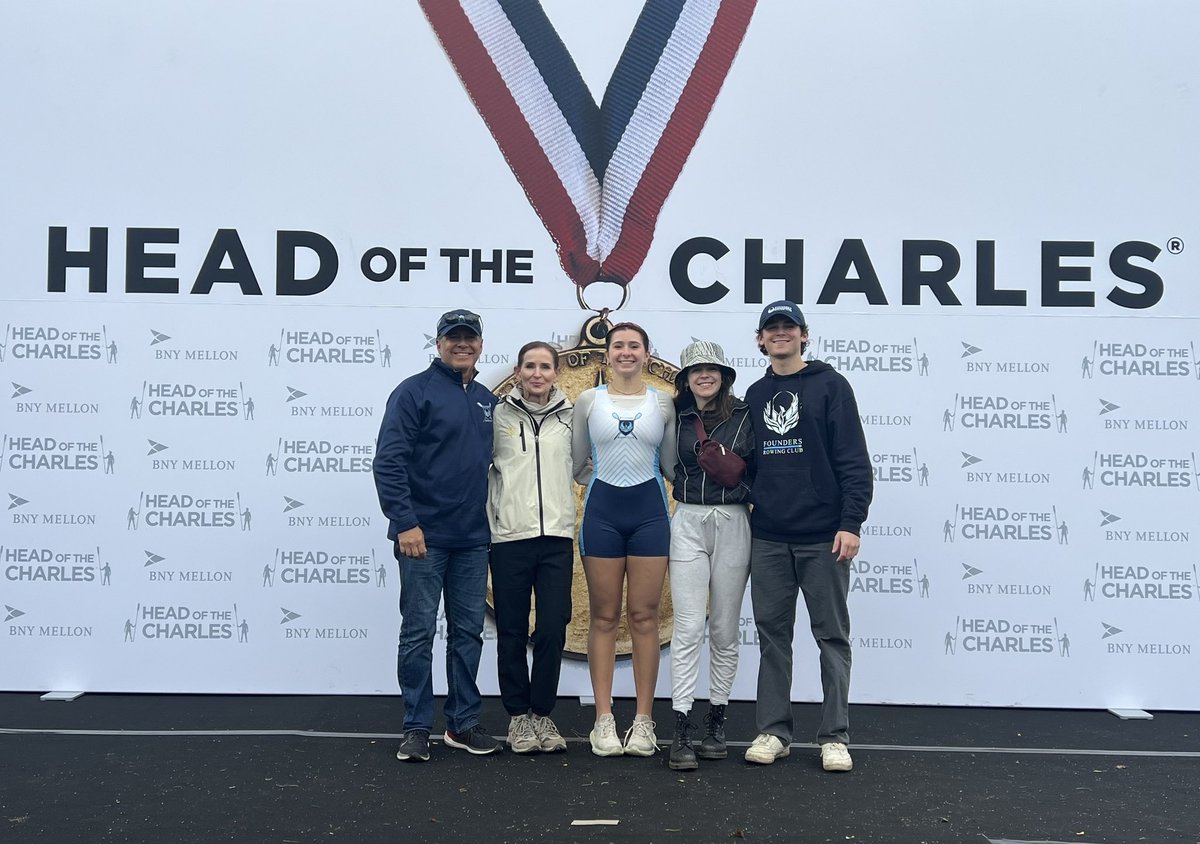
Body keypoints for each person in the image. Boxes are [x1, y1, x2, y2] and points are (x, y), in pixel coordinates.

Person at [742, 300, 872, 772]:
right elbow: (749, 466)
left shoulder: (832, 387)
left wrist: (850, 523)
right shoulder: (753, 395)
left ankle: (834, 736)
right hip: (770, 535)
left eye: (788, 327)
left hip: (824, 536)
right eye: (771, 328)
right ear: (760, 339)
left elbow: (854, 462)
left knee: (831, 636)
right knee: (772, 636)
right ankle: (773, 731)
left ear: (804, 335)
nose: (780, 334)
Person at [373, 308, 499, 763]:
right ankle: (416, 726)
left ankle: (462, 724)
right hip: (422, 538)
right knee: (418, 633)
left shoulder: (487, 398)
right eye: (453, 337)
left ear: (481, 344)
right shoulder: (413, 392)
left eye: (470, 337)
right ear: (439, 342)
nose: (461, 344)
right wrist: (405, 523)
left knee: (468, 633)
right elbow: (388, 462)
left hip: (472, 538)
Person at [571, 322, 676, 757]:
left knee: (645, 616)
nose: (626, 352)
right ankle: (603, 720)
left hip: (650, 515)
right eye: (619, 346)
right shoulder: (587, 401)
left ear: (647, 354)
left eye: (634, 346)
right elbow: (579, 464)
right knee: (604, 617)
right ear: (607, 354)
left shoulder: (664, 403)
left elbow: (670, 467)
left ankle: (645, 721)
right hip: (602, 515)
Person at [666, 341, 752, 771]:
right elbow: (668, 466)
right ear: (685, 377)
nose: (704, 375)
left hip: (735, 520)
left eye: (712, 369)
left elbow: (759, 469)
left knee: (723, 627)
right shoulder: (675, 417)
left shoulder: (746, 415)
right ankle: (680, 724)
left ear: (724, 374)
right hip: (688, 519)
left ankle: (716, 721)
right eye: (696, 369)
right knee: (685, 627)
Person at [488, 341, 575, 754]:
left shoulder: (573, 417)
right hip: (510, 538)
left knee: (553, 628)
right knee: (510, 630)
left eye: (544, 367)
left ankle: (542, 713)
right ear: (518, 371)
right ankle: (518, 718)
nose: (537, 374)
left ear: (555, 373)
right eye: (529, 366)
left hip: (556, 537)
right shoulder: (496, 414)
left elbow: (587, 466)